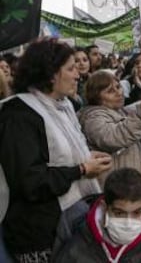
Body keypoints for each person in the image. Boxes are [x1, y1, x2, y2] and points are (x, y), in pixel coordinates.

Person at [0, 38, 113, 262]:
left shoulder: (63, 106)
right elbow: (30, 181)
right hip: (40, 234)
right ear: (50, 74)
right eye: (70, 68)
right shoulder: (18, 115)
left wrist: (86, 157)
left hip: (73, 220)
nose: (78, 74)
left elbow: (58, 154)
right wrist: (81, 169)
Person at [55, 168, 141, 262]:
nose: (128, 222)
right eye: (119, 213)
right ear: (105, 207)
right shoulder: (76, 248)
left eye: (137, 212)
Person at [78, 70, 141, 187]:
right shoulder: (93, 118)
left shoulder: (120, 111)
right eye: (110, 91)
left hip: (130, 186)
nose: (119, 93)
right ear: (96, 97)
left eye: (118, 87)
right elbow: (112, 138)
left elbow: (139, 108)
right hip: (117, 189)